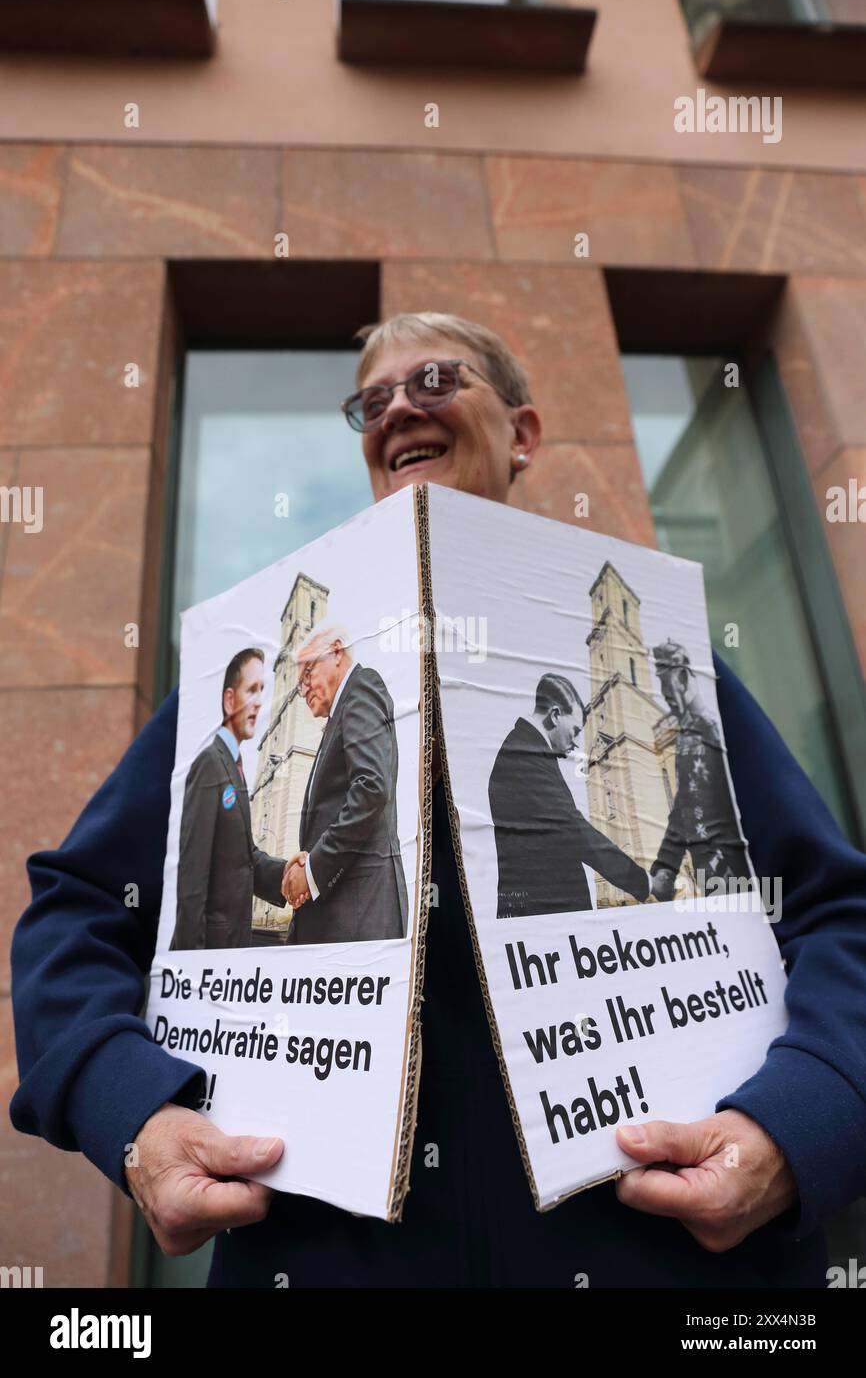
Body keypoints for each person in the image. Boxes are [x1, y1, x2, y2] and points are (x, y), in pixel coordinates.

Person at [10, 312, 866, 1285]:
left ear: (523, 435)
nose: (395, 412)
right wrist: (132, 1115)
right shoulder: (258, 681)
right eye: (370, 402)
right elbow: (74, 915)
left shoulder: (674, 675)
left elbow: (837, 916)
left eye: (433, 380)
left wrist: (799, 1122)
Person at [489, 672, 656, 916]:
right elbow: (574, 832)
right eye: (575, 730)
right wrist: (644, 882)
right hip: (541, 917)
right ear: (555, 715)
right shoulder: (523, 755)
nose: (576, 743)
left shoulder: (530, 749)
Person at [281, 622, 408, 943]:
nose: (305, 689)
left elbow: (370, 789)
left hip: (359, 911)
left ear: (336, 651)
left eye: (307, 674)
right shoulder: (340, 713)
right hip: (344, 912)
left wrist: (312, 872)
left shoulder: (361, 690)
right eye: (299, 685)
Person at [170, 648, 289, 950]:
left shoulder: (234, 766)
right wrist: (191, 966)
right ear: (229, 699)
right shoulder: (211, 764)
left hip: (230, 952)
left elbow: (244, 858)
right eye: (251, 690)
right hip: (208, 956)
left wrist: (289, 874)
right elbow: (192, 879)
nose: (259, 701)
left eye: (262, 690)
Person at [650, 639, 751, 903]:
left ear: (683, 677)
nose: (667, 697)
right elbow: (686, 803)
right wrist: (666, 865)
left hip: (731, 871)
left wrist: (666, 866)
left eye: (667, 686)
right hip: (712, 873)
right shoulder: (689, 733)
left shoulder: (710, 729)